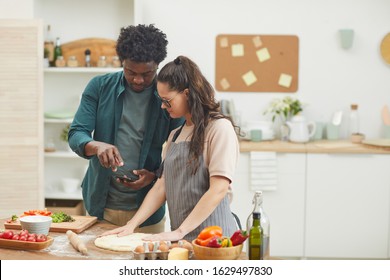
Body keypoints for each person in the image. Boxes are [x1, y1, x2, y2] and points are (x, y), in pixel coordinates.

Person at [102, 55, 240, 241]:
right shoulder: (175, 135)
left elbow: (219, 189)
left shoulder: (219, 128)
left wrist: (179, 231)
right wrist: (131, 225)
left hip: (216, 241)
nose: (162, 106)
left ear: (187, 93)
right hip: (182, 240)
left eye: (167, 101)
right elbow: (161, 187)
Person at [68, 24, 184, 232]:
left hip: (148, 211)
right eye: (130, 72)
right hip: (100, 207)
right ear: (122, 62)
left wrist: (156, 174)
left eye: (147, 73)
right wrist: (96, 146)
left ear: (158, 65)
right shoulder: (99, 87)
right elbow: (77, 133)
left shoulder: (169, 97)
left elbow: (182, 147)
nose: (138, 80)